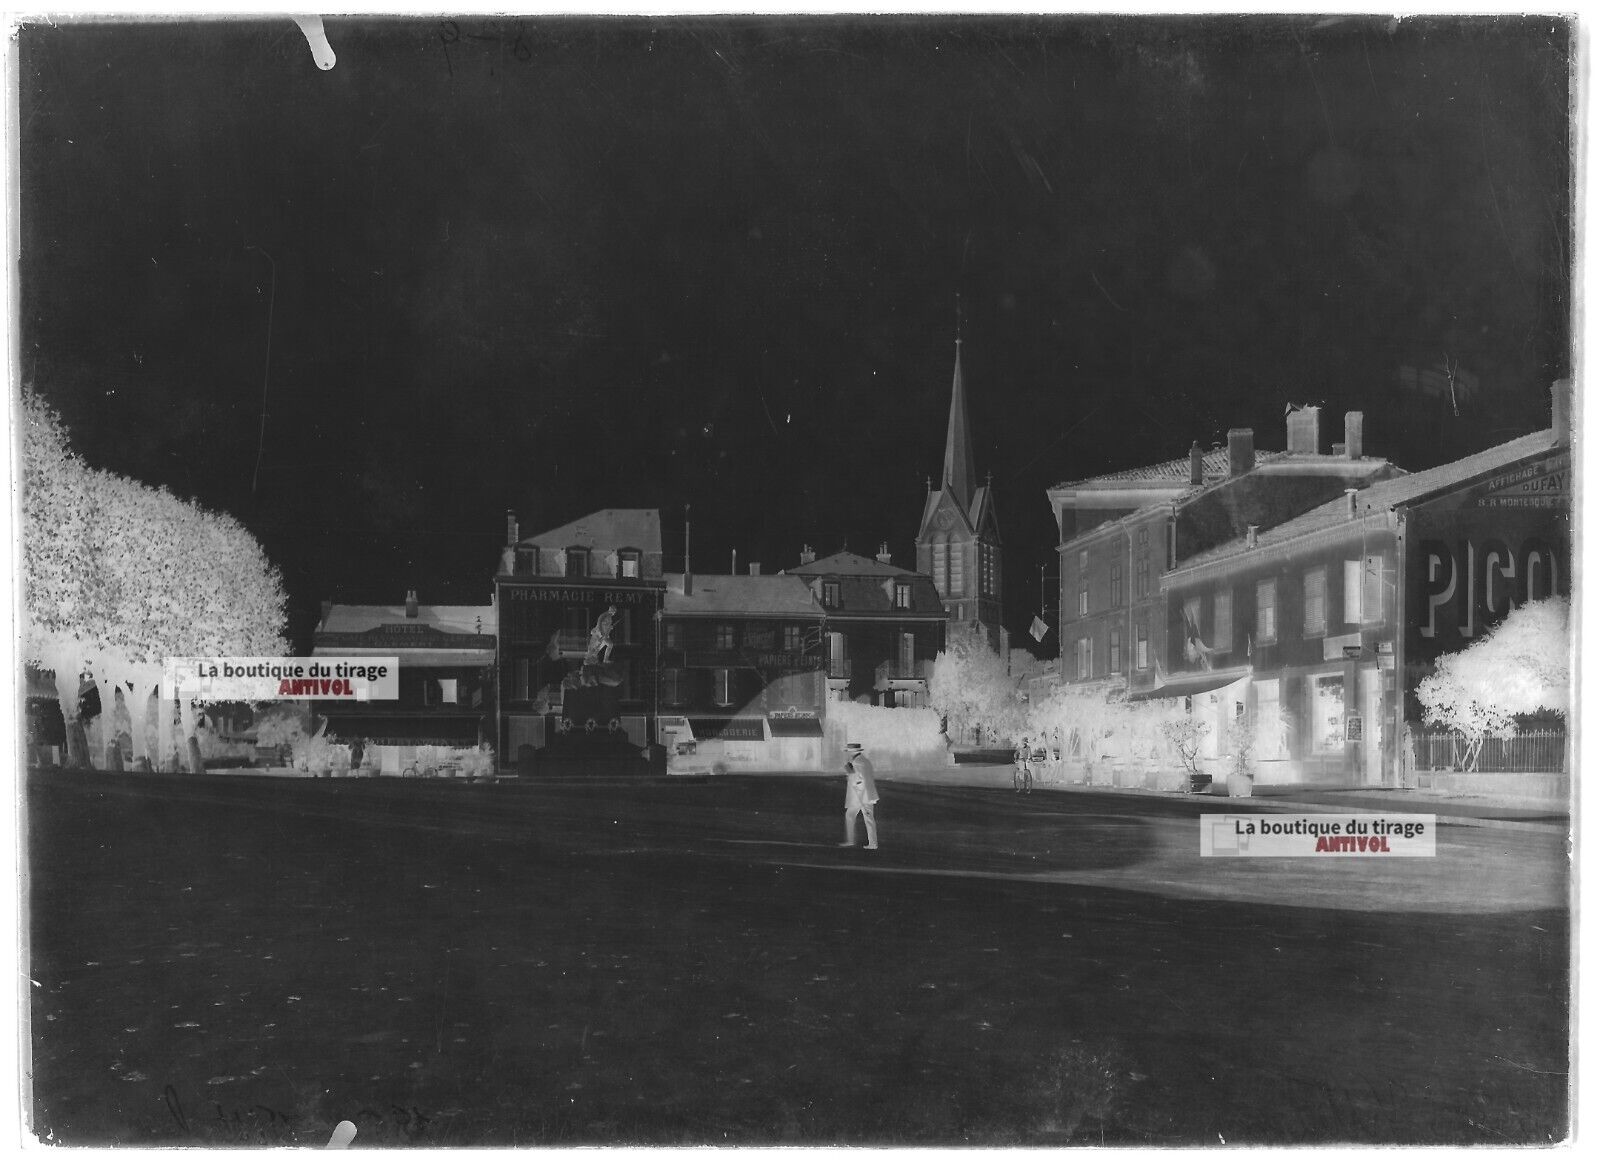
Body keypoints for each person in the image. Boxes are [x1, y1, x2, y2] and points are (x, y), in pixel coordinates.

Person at [839, 742, 880, 850]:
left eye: (848, 752)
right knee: (854, 816)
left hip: (861, 796)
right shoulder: (863, 761)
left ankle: (872, 843)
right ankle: (853, 841)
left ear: (853, 752)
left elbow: (858, 780)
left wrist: (850, 773)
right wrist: (849, 769)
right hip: (862, 796)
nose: (847, 753)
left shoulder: (858, 763)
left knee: (866, 818)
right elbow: (855, 776)